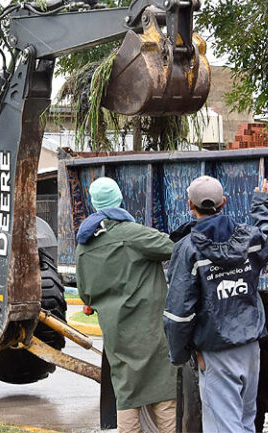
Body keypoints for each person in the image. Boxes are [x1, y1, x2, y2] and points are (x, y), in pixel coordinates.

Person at [163, 176, 268, 433]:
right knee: (246, 423)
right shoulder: (250, 239)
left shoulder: (188, 249)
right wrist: (262, 206)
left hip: (216, 351)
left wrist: (180, 355)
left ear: (190, 206)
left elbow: (179, 314)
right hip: (250, 348)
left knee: (223, 427)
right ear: (224, 203)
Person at [76, 176, 177, 433]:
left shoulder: (85, 247)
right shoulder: (133, 234)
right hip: (150, 330)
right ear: (120, 200)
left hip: (116, 334)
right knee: (164, 393)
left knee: (126, 393)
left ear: (94, 205)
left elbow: (85, 297)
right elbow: (173, 248)